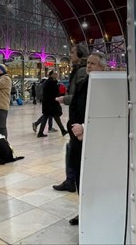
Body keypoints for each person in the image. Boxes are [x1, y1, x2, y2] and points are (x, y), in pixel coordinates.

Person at [66, 52, 107, 226]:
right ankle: (83, 210)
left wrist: (86, 128)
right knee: (79, 175)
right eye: (88, 63)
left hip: (97, 141)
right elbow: (73, 108)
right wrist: (75, 128)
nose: (89, 66)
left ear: (102, 67)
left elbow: (105, 114)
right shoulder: (83, 84)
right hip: (78, 137)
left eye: (93, 64)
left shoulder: (107, 86)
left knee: (95, 176)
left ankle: (98, 210)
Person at [52, 44, 89, 193]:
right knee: (71, 150)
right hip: (76, 116)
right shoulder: (77, 70)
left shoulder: (81, 71)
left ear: (80, 54)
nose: (70, 54)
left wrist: (64, 99)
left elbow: (81, 95)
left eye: (73, 52)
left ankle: (71, 181)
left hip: (79, 117)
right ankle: (71, 180)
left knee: (73, 150)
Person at [35, 70, 67, 137]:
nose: (56, 75)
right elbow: (54, 92)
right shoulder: (51, 82)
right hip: (51, 103)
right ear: (51, 75)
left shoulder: (49, 82)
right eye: (55, 74)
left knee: (52, 116)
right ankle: (62, 130)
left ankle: (62, 130)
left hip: (48, 103)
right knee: (51, 116)